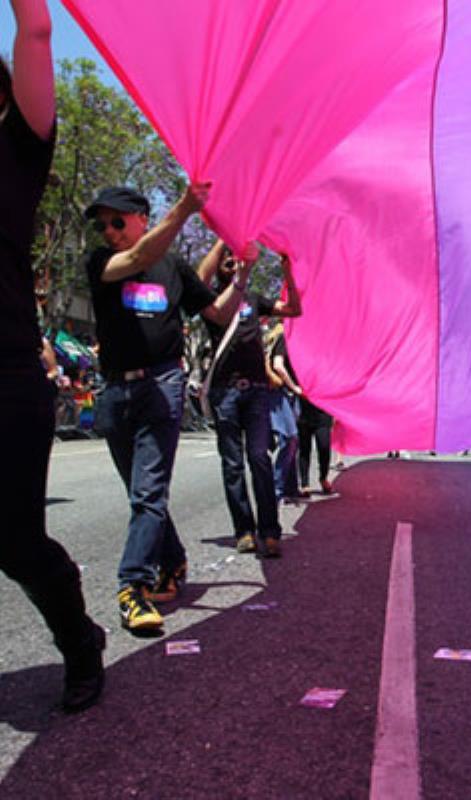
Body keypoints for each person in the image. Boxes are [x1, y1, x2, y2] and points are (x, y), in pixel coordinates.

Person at [86, 178, 250, 635]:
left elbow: (217, 314)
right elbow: (137, 258)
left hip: (162, 385)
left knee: (148, 493)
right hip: (116, 392)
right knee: (141, 492)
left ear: (140, 217)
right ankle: (173, 561)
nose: (111, 232)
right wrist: (184, 209)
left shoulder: (175, 268)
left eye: (118, 222)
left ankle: (132, 586)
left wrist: (243, 276)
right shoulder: (101, 262)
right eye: (104, 226)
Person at [0, 0, 105, 712]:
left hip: (6, 377)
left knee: (14, 541)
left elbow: (36, 28)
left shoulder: (17, 151)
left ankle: (79, 642)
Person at [199, 246, 301, 557]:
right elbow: (199, 277)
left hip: (257, 392)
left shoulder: (255, 300)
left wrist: (287, 269)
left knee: (259, 458)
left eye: (235, 256)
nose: (231, 260)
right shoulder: (210, 300)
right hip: (224, 393)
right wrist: (221, 238)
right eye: (225, 258)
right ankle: (243, 530)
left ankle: (270, 531)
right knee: (232, 464)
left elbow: (294, 309)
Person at [264, 323, 303, 501]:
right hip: (280, 394)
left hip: (285, 395)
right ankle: (275, 489)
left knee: (293, 441)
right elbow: (278, 365)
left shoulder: (290, 338)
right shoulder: (284, 337)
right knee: (289, 437)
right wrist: (294, 386)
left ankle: (290, 487)